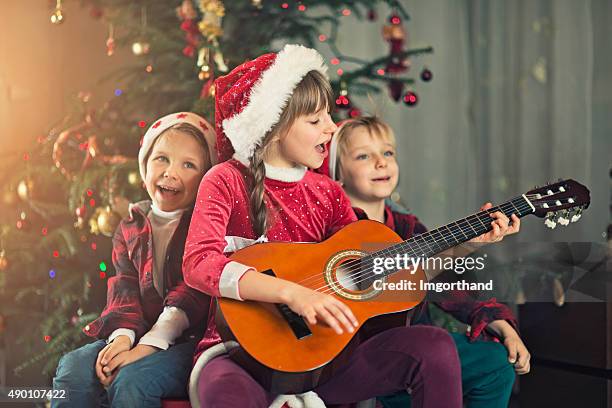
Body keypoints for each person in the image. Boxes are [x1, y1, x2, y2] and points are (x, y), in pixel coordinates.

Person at [183, 44, 518, 408]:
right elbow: (199, 263)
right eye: (315, 121)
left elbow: (381, 274)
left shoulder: (328, 193)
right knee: (225, 395)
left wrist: (465, 245)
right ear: (273, 127)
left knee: (433, 346)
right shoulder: (226, 180)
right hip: (240, 356)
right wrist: (292, 293)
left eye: (328, 115)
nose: (331, 127)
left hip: (325, 364)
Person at [324, 115, 530, 407]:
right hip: (359, 353)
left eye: (387, 153)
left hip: (415, 343)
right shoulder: (330, 225)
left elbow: (447, 286)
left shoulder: (408, 227)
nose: (381, 163)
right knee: (425, 356)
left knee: (495, 363)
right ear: (338, 172)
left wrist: (500, 324)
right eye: (363, 156)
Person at [52, 112, 215, 408]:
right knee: (73, 368)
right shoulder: (131, 225)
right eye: (162, 158)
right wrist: (122, 339)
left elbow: (191, 293)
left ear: (205, 178)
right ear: (145, 164)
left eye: (188, 164)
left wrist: (145, 348)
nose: (170, 172)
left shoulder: (204, 225)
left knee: (133, 381)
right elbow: (123, 288)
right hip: (137, 330)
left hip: (188, 341)